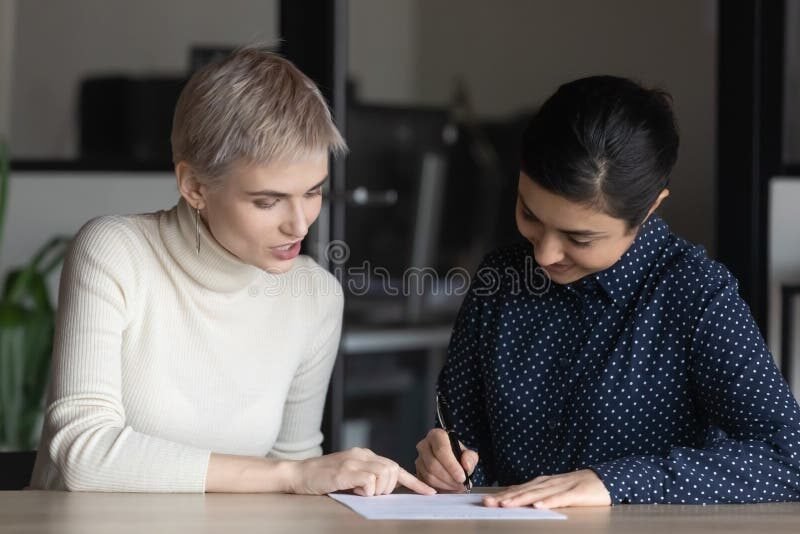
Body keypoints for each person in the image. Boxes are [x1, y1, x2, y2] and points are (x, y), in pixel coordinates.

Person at [30, 48, 433, 496]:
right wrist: (290, 476)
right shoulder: (116, 254)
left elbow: (296, 471)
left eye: (313, 192)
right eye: (267, 201)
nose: (299, 224)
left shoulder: (314, 296)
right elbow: (83, 457)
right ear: (195, 186)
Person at [414, 75, 800, 507]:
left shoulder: (695, 294)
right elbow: (462, 437)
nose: (544, 253)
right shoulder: (500, 279)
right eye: (530, 214)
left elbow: (788, 458)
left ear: (650, 207)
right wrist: (447, 463)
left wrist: (615, 482)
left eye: (579, 239)